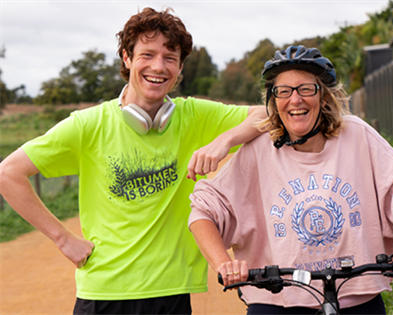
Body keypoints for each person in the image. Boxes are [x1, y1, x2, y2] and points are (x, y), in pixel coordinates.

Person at [0, 7, 266, 315]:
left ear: (180, 68)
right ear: (127, 58)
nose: (159, 66)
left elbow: (267, 115)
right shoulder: (88, 125)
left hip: (172, 292)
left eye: (170, 58)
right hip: (104, 294)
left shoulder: (194, 116)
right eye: (147, 55)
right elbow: (8, 173)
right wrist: (63, 239)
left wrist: (224, 140)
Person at [188, 45, 393, 315]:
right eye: (284, 91)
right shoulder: (259, 150)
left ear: (324, 96)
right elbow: (204, 211)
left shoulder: (357, 136)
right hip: (276, 300)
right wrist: (224, 264)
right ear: (273, 99)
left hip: (356, 299)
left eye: (306, 88)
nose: (295, 100)